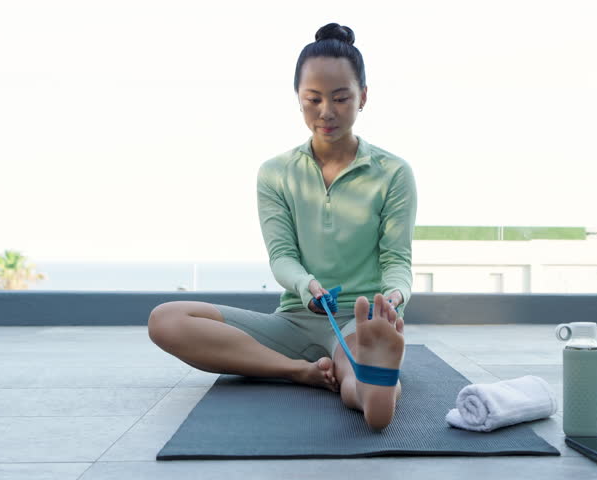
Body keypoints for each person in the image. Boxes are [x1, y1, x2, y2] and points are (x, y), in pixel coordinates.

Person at [148, 22, 417, 431]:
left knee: (358, 360)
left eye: (341, 98)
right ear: (299, 99)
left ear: (363, 97)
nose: (326, 111)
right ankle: (297, 371)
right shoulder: (275, 173)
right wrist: (307, 285)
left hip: (358, 318)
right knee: (165, 319)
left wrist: (394, 297)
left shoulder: (393, 173)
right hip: (292, 319)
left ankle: (372, 388)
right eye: (313, 99)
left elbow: (397, 260)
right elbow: (283, 256)